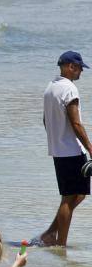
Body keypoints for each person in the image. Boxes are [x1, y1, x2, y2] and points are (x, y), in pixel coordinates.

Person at [36, 51, 92, 247]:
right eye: (79, 68)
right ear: (70, 66)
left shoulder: (50, 87)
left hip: (59, 150)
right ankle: (61, 244)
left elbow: (45, 120)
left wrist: (55, 139)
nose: (80, 73)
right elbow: (76, 124)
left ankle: (51, 232)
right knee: (69, 198)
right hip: (72, 151)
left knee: (78, 194)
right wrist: (91, 149)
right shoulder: (69, 89)